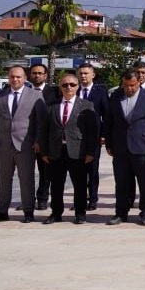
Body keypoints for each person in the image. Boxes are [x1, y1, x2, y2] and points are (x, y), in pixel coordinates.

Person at [0, 66, 44, 223]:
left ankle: (28, 211)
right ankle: (2, 211)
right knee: (4, 180)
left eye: (18, 77)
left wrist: (38, 141)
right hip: (4, 146)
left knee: (26, 180)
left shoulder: (35, 95)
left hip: (26, 145)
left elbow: (40, 122)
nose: (15, 79)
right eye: (12, 77)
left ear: (25, 78)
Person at [37, 73, 98, 224]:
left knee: (80, 185)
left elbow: (92, 131)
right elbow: (43, 131)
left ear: (77, 87)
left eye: (72, 84)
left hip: (78, 152)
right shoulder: (52, 107)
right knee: (56, 185)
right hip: (56, 152)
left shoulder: (86, 105)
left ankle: (80, 213)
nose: (68, 87)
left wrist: (91, 152)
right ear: (60, 87)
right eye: (65, 85)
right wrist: (44, 152)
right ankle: (56, 213)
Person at [103, 69, 145, 226]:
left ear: (139, 83)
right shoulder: (115, 97)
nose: (129, 88)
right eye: (126, 85)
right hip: (120, 147)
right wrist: (109, 143)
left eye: (133, 85)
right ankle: (121, 212)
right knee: (122, 182)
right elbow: (109, 121)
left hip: (143, 146)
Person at [76, 63, 108, 212]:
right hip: (75, 137)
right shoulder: (73, 89)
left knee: (92, 170)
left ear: (93, 75)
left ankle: (93, 199)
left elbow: (106, 115)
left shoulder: (100, 92)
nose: (83, 76)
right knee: (78, 171)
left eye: (86, 73)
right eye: (81, 73)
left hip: (94, 137)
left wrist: (104, 134)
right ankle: (80, 200)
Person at [27, 63, 56, 209]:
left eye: (40, 73)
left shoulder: (55, 93)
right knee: (26, 172)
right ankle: (27, 200)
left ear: (45, 75)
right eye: (34, 73)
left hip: (46, 139)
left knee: (45, 171)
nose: (37, 75)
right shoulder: (24, 91)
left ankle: (43, 198)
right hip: (25, 139)